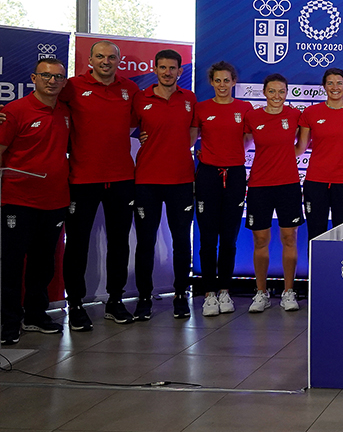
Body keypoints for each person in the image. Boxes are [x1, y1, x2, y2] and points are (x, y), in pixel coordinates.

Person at [58, 40, 138, 329]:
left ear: (119, 60)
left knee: (119, 243)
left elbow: (140, 122)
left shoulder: (130, 89)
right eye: (100, 56)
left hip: (121, 178)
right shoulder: (71, 86)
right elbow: (45, 105)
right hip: (82, 179)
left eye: (111, 57)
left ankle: (115, 301)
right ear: (90, 60)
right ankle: (75, 304)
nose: (106, 61)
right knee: (77, 243)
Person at [0, 58, 70, 345]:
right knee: (12, 263)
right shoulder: (14, 111)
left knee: (43, 263)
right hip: (19, 200)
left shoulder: (66, 111)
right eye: (46, 75)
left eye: (58, 77)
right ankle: (8, 322)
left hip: (55, 200)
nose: (52, 81)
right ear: (33, 78)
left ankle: (35, 316)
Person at [131, 49, 199, 320]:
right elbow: (126, 128)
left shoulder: (189, 99)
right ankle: (144, 298)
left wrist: (175, 147)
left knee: (181, 241)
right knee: (145, 242)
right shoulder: (140, 98)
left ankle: (181, 295)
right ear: (155, 69)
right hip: (147, 180)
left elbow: (192, 133)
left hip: (181, 180)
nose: (167, 72)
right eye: (163, 67)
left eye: (172, 68)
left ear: (180, 71)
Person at [193, 61, 253, 317]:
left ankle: (225, 291)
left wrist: (230, 154)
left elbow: (248, 139)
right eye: (217, 80)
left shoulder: (244, 108)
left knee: (229, 238)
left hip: (235, 174)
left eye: (226, 80)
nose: (222, 85)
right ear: (211, 82)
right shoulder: (201, 108)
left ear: (234, 81)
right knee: (208, 238)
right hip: (208, 175)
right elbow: (190, 137)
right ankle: (209, 293)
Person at [244, 74, 304, 313]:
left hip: (288, 184)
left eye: (281, 91)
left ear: (287, 93)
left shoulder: (295, 115)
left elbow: (302, 146)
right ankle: (261, 292)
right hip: (259, 185)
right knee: (260, 240)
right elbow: (240, 143)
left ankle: (289, 291)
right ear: (264, 92)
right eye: (272, 91)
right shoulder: (252, 116)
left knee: (289, 238)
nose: (277, 96)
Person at [297, 68, 343, 240]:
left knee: (342, 235)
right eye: (330, 83)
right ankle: (315, 260)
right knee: (315, 233)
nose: (335, 87)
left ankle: (341, 261)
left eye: (339, 83)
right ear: (324, 86)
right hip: (316, 181)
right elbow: (301, 147)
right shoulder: (310, 112)